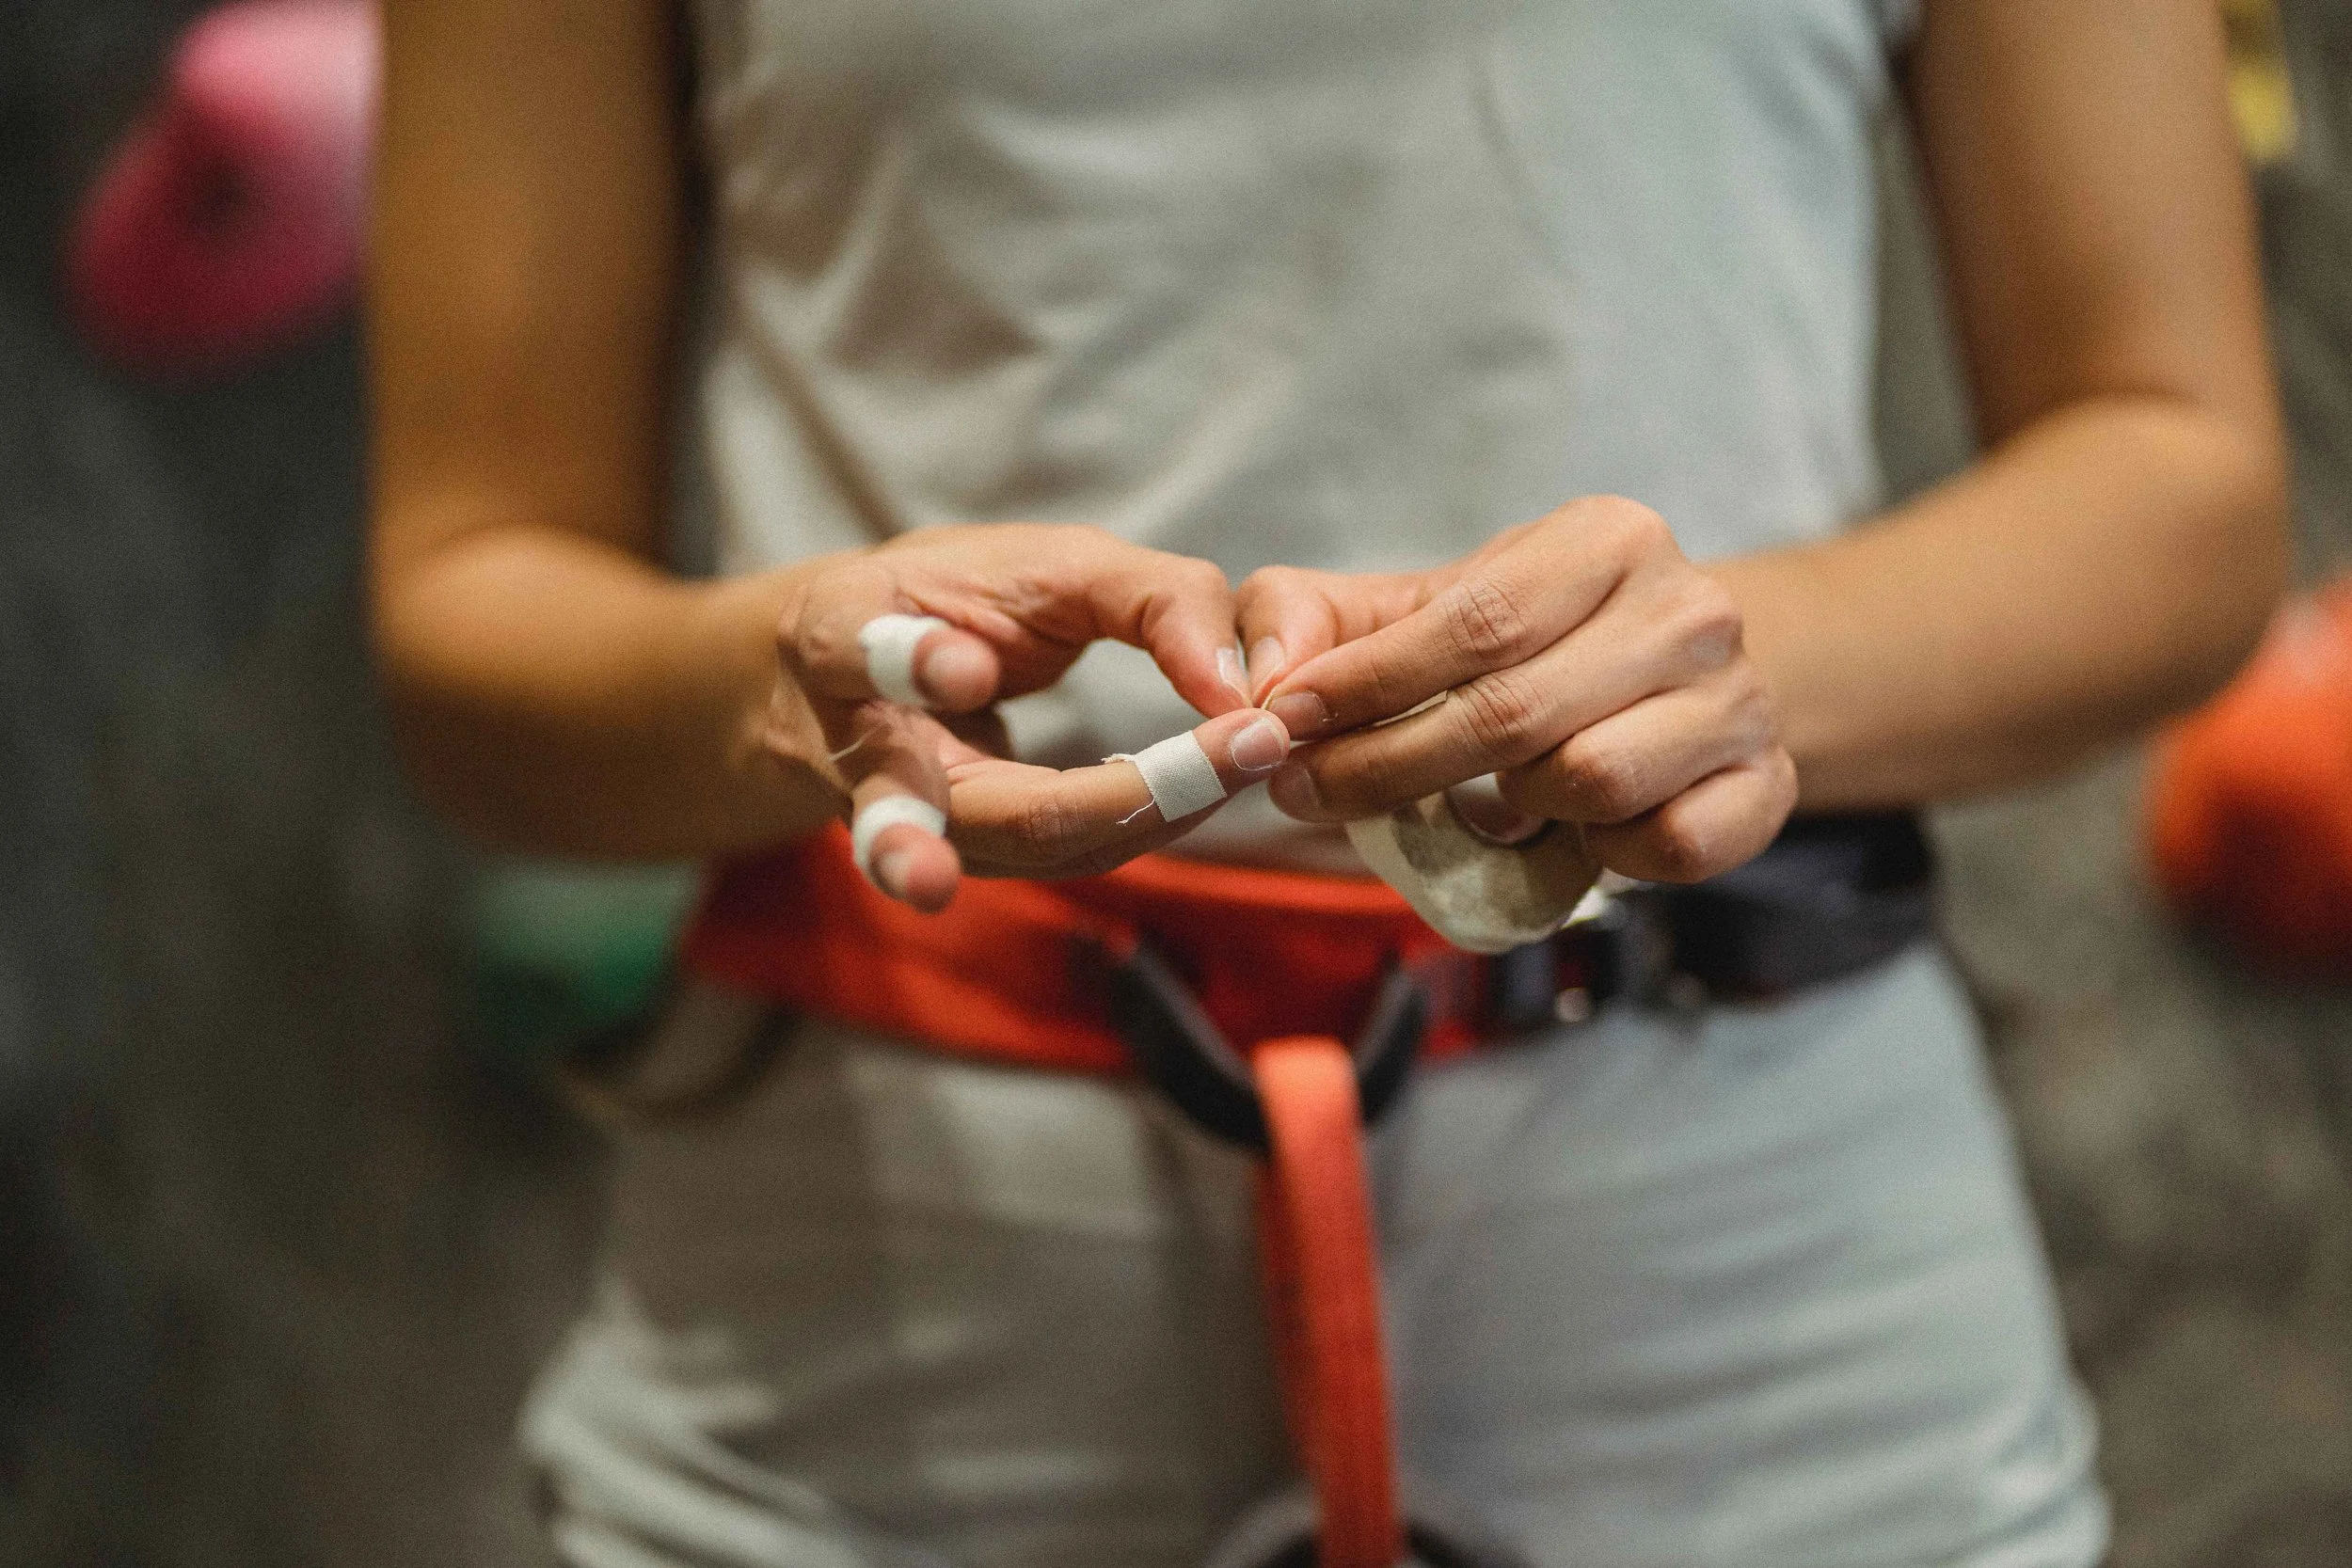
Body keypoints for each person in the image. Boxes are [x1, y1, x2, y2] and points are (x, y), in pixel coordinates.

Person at [370, 0, 2286, 1563]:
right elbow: (475, 603)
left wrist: (1712, 655)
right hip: (854, 1391)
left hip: (1770, 1373)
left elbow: (2175, 482)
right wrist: (773, 678)